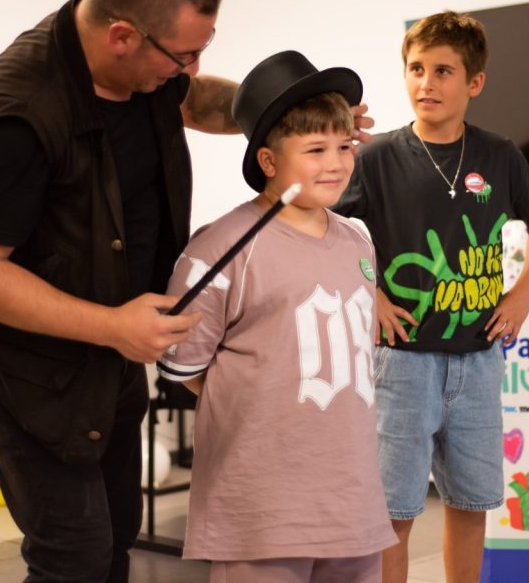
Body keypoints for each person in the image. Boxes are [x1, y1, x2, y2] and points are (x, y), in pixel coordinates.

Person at [0, 0, 372, 581]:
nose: (192, 67)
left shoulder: (148, 76)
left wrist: (298, 121)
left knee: (116, 538)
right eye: (184, 54)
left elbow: (196, 99)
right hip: (32, 377)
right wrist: (111, 325)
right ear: (122, 36)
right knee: (73, 556)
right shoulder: (14, 117)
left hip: (111, 358)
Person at [333, 10, 529, 583]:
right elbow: (320, 227)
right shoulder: (377, 158)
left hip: (479, 361)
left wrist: (523, 294)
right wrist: (370, 294)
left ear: (474, 82)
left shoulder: (499, 154)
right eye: (416, 69)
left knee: (470, 503)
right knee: (395, 511)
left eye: (442, 71)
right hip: (402, 363)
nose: (426, 83)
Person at [157, 50, 396, 582]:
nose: (335, 164)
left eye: (343, 146)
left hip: (351, 501)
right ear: (268, 161)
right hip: (261, 506)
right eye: (315, 150)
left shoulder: (357, 239)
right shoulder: (221, 248)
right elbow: (183, 364)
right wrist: (260, 398)